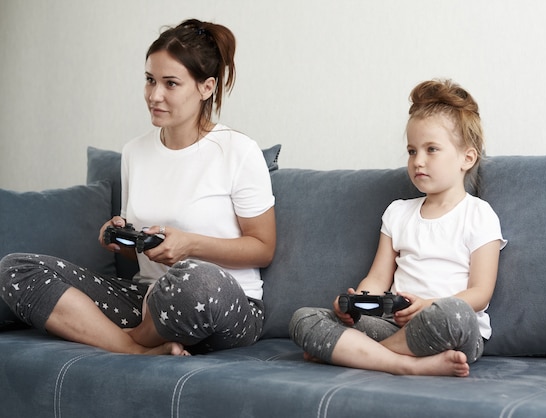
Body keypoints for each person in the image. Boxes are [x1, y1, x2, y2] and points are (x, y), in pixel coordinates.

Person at [0, 19, 276, 356]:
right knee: (16, 269)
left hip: (222, 305)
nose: (154, 95)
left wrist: (189, 246)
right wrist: (122, 239)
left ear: (206, 87)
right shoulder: (135, 152)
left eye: (170, 83)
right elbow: (144, 255)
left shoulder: (238, 150)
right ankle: (137, 349)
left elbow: (263, 247)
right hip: (148, 299)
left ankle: (129, 340)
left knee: (194, 279)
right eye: (150, 80)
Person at [289, 79, 506, 376]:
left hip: (445, 327)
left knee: (454, 315)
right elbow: (378, 279)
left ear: (467, 158)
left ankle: (352, 353)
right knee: (305, 319)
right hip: (392, 323)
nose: (419, 161)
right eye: (412, 151)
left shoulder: (479, 215)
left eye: (432, 149)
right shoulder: (398, 212)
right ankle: (405, 364)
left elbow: (480, 293)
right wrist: (358, 304)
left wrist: (427, 305)